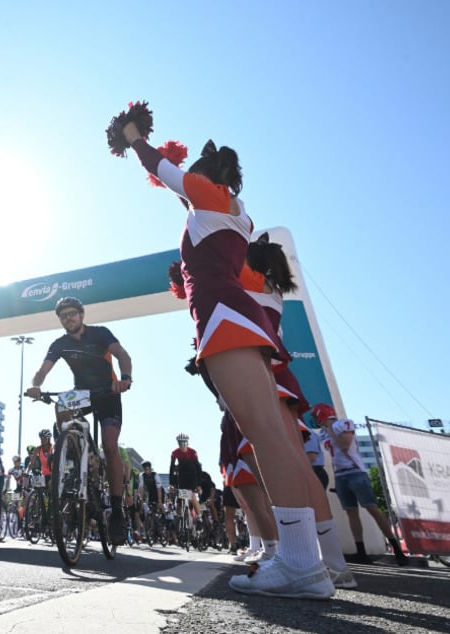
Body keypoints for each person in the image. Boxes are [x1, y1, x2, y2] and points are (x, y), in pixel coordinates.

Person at [114, 105, 335, 598]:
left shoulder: (210, 197)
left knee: (267, 439)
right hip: (236, 319)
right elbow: (184, 197)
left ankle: (300, 564)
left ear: (205, 176)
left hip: (223, 318)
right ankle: (306, 563)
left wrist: (133, 138)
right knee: (273, 439)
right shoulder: (230, 209)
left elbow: (160, 169)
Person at [25, 296, 133, 545]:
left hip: (108, 392)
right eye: (63, 316)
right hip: (82, 395)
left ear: (82, 315)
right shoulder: (59, 343)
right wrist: (35, 386)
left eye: (72, 314)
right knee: (61, 405)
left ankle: (116, 510)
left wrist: (125, 378)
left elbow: (122, 354)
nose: (68, 319)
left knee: (109, 444)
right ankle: (73, 451)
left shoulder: (100, 334)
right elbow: (42, 371)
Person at [313, 404, 409, 566]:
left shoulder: (343, 424)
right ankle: (361, 551)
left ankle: (397, 549)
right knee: (351, 513)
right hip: (340, 475)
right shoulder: (324, 432)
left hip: (355, 472)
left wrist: (330, 430)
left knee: (373, 509)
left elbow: (345, 445)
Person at [169, 433, 204, 521]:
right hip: (182, 476)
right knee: (180, 499)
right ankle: (179, 519)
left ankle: (199, 518)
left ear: (187, 443)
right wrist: (172, 484)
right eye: (180, 443)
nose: (182, 445)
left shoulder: (193, 452)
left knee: (191, 496)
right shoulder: (175, 453)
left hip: (192, 475)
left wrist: (199, 484)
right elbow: (171, 468)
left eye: (184, 443)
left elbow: (198, 469)